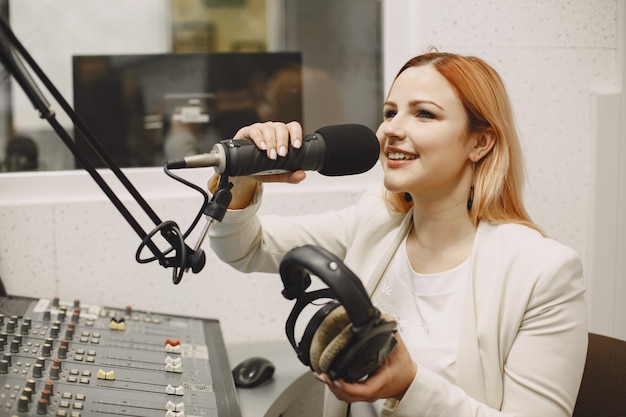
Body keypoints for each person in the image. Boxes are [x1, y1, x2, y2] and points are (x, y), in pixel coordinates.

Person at [207, 51, 588, 417]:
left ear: (479, 142)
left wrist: (410, 385)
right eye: (390, 112)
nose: (391, 129)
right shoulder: (374, 220)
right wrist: (240, 177)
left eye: (423, 114)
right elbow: (246, 248)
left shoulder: (543, 273)